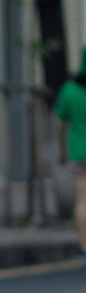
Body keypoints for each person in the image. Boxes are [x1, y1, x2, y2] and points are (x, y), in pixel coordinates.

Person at [58, 54, 86, 258]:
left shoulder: (69, 90)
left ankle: (84, 247)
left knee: (83, 201)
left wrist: (61, 151)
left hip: (78, 153)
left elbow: (61, 123)